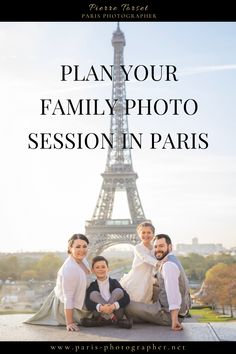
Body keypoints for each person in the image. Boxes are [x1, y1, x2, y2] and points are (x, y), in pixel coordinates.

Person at [24, 234, 92, 331]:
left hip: (78, 299)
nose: (82, 250)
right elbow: (68, 298)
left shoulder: (83, 260)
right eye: (78, 247)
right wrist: (69, 322)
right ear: (70, 248)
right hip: (64, 306)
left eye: (84, 246)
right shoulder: (69, 269)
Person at [125, 234, 191, 331]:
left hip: (166, 314)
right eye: (155, 246)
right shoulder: (172, 259)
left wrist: (174, 321)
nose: (157, 249)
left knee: (126, 305)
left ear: (170, 247)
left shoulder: (168, 265)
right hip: (174, 309)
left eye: (161, 246)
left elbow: (174, 294)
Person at [81, 256, 132, 329]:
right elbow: (88, 303)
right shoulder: (92, 286)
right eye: (97, 267)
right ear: (93, 270)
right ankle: (114, 320)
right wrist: (101, 307)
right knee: (93, 294)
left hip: (115, 312)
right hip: (100, 312)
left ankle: (103, 320)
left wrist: (113, 306)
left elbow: (127, 298)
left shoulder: (114, 282)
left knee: (118, 291)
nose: (100, 269)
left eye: (103, 267)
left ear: (108, 269)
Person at [119, 221, 158, 303]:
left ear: (153, 234)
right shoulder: (138, 247)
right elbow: (145, 257)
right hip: (136, 278)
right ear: (139, 234)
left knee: (144, 299)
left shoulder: (155, 248)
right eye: (143, 232)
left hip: (147, 279)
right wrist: (157, 263)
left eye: (149, 232)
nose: (146, 235)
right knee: (134, 298)